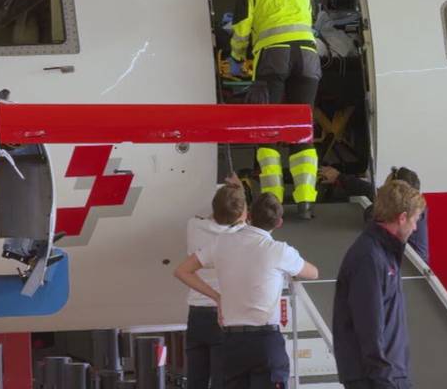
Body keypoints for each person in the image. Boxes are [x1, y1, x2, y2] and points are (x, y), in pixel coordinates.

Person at [174, 193, 319, 389]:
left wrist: (218, 298)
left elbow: (182, 270)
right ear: (279, 223)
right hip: (266, 343)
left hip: (232, 343)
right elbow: (313, 273)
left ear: (249, 216)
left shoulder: (221, 242)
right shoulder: (279, 250)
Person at [228, 0, 322, 219]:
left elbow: (242, 30)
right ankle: (306, 203)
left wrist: (237, 58)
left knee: (269, 129)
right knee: (301, 129)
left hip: (274, 58)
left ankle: (272, 203)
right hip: (307, 56)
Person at [332, 180, 426, 389]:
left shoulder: (384, 254)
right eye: (415, 220)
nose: (416, 227)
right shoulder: (370, 258)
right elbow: (369, 328)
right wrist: (386, 381)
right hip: (377, 379)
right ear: (402, 218)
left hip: (386, 374)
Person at [183, 180, 248, 389]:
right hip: (225, 315)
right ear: (241, 215)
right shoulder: (242, 235)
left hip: (197, 314)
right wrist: (241, 190)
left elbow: (222, 210)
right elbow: (241, 217)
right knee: (222, 381)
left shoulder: (193, 225)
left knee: (196, 381)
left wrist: (232, 191)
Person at [318, 166, 429, 263]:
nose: (383, 188)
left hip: (407, 266)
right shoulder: (411, 205)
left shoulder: (401, 214)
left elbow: (370, 215)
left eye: (387, 186)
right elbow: (371, 191)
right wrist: (339, 177)